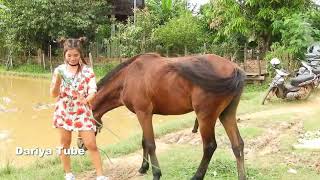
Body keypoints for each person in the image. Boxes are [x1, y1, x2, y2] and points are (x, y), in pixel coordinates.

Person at [50, 38, 107, 180]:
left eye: (76, 55)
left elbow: (93, 91)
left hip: (82, 111)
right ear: (64, 55)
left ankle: (100, 176)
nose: (73, 58)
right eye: (69, 55)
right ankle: (68, 174)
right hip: (64, 110)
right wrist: (57, 81)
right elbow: (53, 94)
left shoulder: (88, 71)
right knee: (64, 144)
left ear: (80, 55)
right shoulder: (59, 70)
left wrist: (86, 99)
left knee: (91, 144)